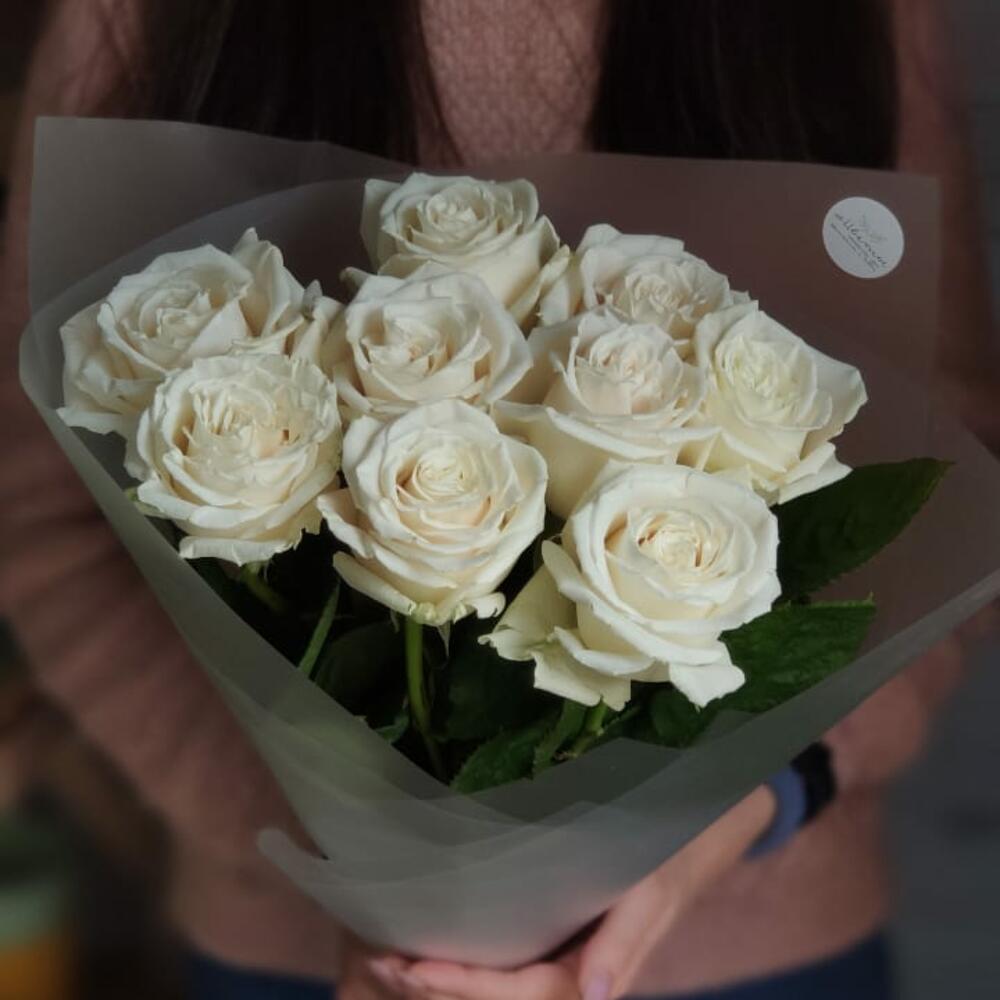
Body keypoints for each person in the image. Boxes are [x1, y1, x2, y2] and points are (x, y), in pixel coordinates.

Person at [0, 2, 996, 998]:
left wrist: (744, 808)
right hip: (306, 953)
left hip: (761, 948)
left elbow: (944, 485)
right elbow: (45, 521)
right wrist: (377, 884)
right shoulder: (138, 16)